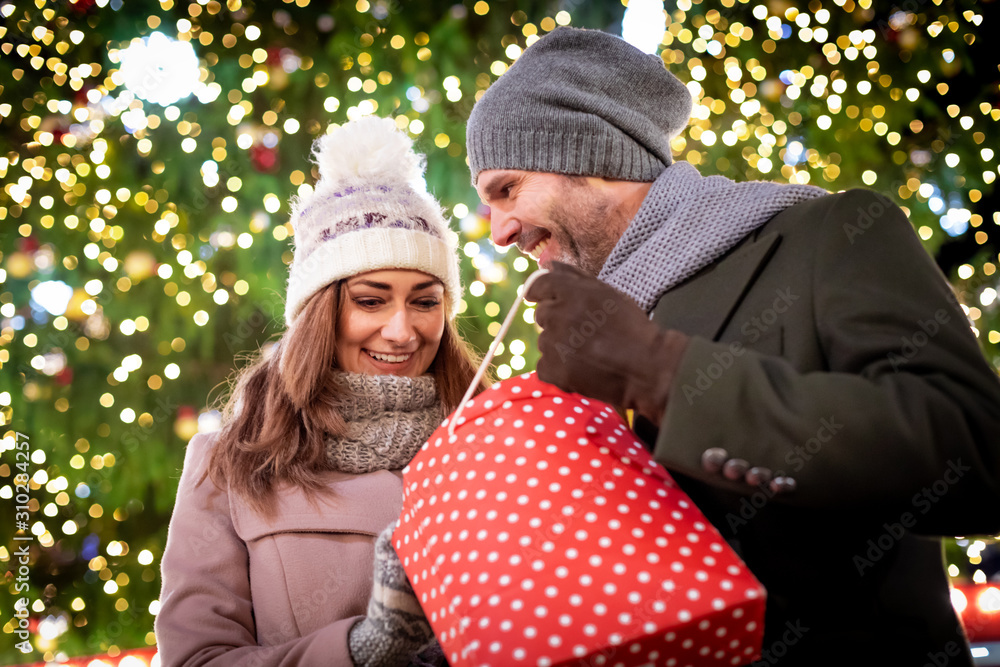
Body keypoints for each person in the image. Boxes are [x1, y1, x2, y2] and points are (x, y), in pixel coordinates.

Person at [466, 26, 1000, 666]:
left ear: (591, 155)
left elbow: (977, 453)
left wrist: (661, 372)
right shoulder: (579, 338)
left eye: (507, 189)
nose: (499, 230)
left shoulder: (826, 236)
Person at [156, 115, 487, 666]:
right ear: (321, 313)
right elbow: (198, 660)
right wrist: (359, 650)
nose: (403, 331)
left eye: (426, 302)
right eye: (371, 300)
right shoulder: (229, 466)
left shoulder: (491, 449)